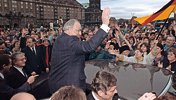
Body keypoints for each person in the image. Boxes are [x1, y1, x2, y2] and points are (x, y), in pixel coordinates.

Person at [49, 8, 111, 94]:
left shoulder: (61, 40)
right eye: (78, 30)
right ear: (69, 29)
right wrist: (105, 24)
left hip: (61, 85)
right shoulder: (68, 41)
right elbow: (89, 46)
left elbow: (77, 56)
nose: (80, 33)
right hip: (69, 89)